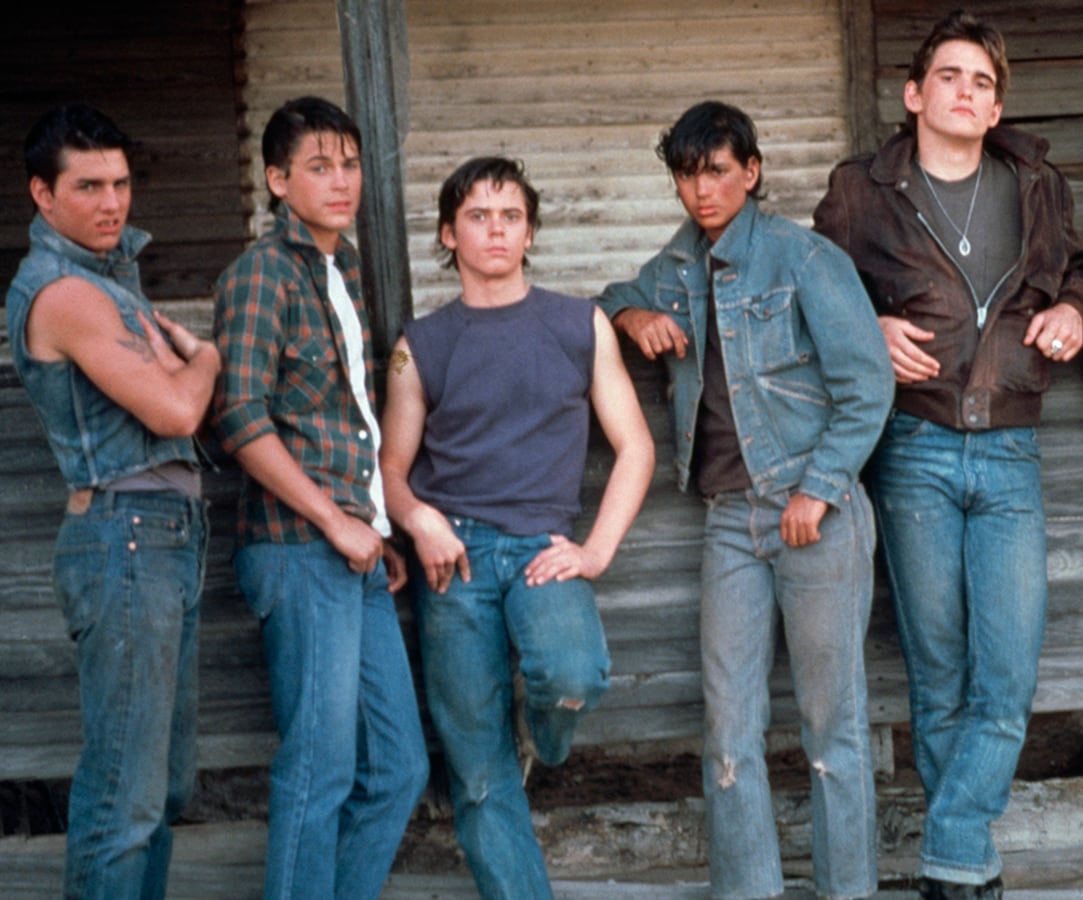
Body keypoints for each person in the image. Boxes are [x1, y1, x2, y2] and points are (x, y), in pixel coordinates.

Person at [812, 11, 1083, 897]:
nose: (966, 92)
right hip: (914, 447)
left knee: (1007, 670)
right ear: (914, 94)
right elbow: (814, 293)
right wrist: (870, 325)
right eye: (950, 76)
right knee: (937, 671)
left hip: (1010, 448)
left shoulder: (1036, 182)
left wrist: (1075, 312)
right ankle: (965, 872)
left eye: (982, 81)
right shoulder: (861, 190)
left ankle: (953, 850)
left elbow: (1080, 267)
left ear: (996, 102)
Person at [597, 100, 892, 900]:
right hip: (729, 519)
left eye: (717, 172)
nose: (702, 191)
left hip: (813, 514)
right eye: (688, 175)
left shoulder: (804, 258)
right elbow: (611, 293)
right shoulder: (681, 263)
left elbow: (868, 386)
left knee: (832, 728)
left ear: (751, 173)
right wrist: (635, 313)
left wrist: (819, 490)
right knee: (728, 727)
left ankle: (849, 892)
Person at [378, 156, 654, 899]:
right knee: (476, 775)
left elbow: (636, 446)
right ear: (448, 232)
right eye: (477, 215)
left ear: (530, 232)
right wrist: (418, 519)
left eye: (510, 216)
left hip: (542, 550)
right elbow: (391, 468)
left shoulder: (579, 323)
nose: (495, 230)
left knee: (571, 676)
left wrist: (596, 549)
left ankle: (546, 737)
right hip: (454, 561)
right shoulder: (420, 344)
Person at [211, 96, 429, 899]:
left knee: (400, 766)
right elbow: (239, 416)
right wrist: (338, 521)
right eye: (317, 166)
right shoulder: (261, 274)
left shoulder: (344, 275)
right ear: (276, 180)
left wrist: (372, 526)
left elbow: (350, 421)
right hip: (301, 550)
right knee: (320, 768)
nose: (341, 181)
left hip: (355, 550)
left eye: (349, 163)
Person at [7, 104, 218, 900]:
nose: (111, 203)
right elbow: (175, 410)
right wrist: (210, 357)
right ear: (42, 194)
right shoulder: (65, 294)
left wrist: (181, 369)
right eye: (88, 185)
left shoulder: (107, 279)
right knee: (125, 792)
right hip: (125, 534)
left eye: (122, 183)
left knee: (160, 787)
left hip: (163, 532)